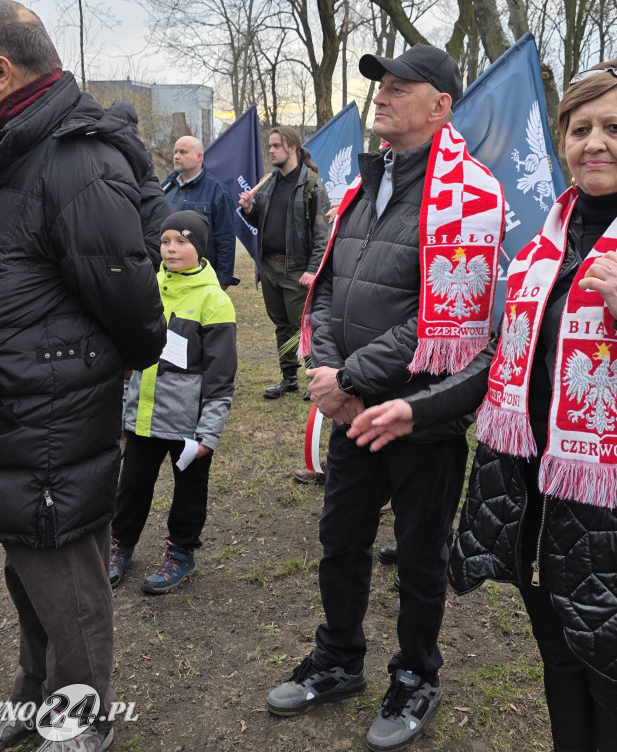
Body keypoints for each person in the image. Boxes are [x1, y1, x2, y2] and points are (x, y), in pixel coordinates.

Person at [348, 60, 617, 752]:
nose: (593, 143)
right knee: (561, 661)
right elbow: (504, 357)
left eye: (615, 127)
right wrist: (417, 410)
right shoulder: (547, 240)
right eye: (579, 129)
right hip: (537, 503)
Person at [0, 0, 165, 752]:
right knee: (28, 574)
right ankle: (33, 702)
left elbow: (130, 300)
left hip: (46, 416)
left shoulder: (75, 158)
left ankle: (81, 719)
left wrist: (72, 367)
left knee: (67, 585)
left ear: (4, 68)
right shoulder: (6, 145)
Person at [263, 44, 504, 752]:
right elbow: (329, 281)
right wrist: (333, 374)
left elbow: (445, 321)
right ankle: (338, 658)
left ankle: (417, 675)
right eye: (381, 86)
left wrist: (353, 379)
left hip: (422, 417)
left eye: (401, 88)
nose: (383, 97)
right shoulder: (365, 184)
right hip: (353, 407)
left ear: (441, 105)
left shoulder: (472, 195)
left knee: (420, 557)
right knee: (340, 540)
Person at [108, 211, 237, 593]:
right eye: (165, 241)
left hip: (189, 426)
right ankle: (120, 546)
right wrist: (122, 409)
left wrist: (207, 434)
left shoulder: (215, 301)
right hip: (145, 417)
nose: (171, 249)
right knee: (131, 486)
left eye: (181, 241)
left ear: (199, 246)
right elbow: (129, 356)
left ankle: (182, 552)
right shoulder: (146, 290)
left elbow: (220, 378)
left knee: (189, 493)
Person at [238, 126, 330, 401]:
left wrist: (312, 270)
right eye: (269, 146)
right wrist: (249, 210)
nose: (271, 150)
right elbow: (262, 224)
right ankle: (288, 378)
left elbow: (322, 233)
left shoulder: (311, 183)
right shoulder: (269, 182)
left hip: (297, 269)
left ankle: (316, 381)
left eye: (276, 145)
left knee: (304, 327)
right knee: (281, 326)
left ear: (292, 147)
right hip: (270, 267)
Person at [162, 135, 238, 288]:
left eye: (183, 152)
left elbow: (226, 238)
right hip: (169, 276)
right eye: (175, 152)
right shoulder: (166, 187)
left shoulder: (217, 191)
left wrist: (223, 278)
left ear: (199, 157)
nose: (176, 156)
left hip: (201, 277)